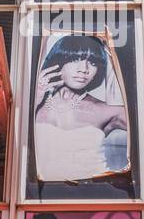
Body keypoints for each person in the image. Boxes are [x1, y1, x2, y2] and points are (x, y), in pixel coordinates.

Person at [33, 34, 129, 181]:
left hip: (93, 195)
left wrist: (113, 54)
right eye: (76, 59)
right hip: (39, 197)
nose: (84, 69)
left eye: (93, 63)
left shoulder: (104, 110)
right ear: (58, 61)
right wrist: (34, 98)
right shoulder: (34, 105)